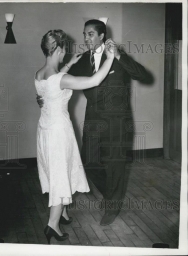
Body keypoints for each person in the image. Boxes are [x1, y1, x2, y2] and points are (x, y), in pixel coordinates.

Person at [37, 20, 153, 226]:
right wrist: (42, 96)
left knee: (115, 166)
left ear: (102, 36)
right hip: (93, 122)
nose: (86, 38)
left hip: (118, 123)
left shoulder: (119, 57)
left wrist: (117, 55)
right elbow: (58, 82)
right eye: (84, 34)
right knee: (89, 163)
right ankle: (111, 196)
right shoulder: (82, 60)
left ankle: (112, 206)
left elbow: (143, 75)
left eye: (90, 34)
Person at [35, 29, 114, 244]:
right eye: (64, 52)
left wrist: (69, 65)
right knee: (61, 174)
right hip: (59, 132)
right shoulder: (62, 79)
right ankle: (53, 224)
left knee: (56, 171)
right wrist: (109, 58)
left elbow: (46, 92)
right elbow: (95, 80)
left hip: (44, 130)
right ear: (59, 49)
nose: (65, 55)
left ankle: (62, 213)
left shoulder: (39, 74)